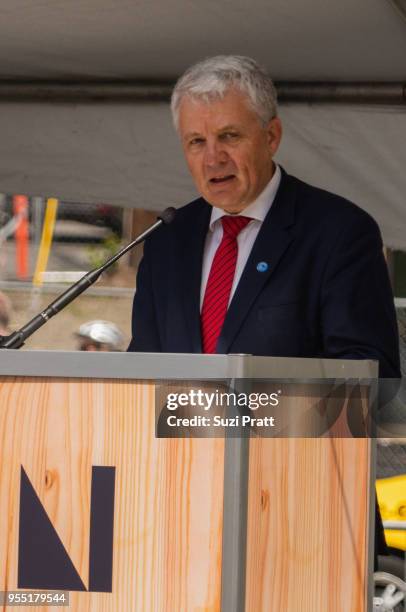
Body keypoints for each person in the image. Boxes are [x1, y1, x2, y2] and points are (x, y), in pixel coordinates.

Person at [128, 55, 401, 560]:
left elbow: (372, 381)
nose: (213, 159)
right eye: (196, 142)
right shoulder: (167, 241)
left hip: (306, 518)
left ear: (271, 136)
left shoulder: (339, 233)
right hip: (179, 512)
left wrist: (232, 413)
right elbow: (142, 373)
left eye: (229, 137)